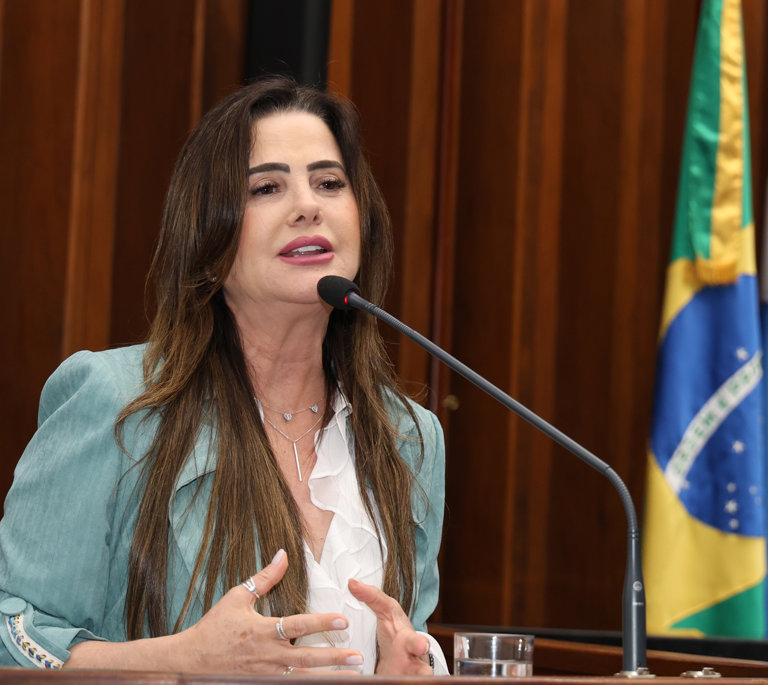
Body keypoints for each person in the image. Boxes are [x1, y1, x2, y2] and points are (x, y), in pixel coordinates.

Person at [0, 76, 446, 676]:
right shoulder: (118, 405)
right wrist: (180, 660)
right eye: (266, 187)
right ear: (210, 234)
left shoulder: (409, 438)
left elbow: (410, 632)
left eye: (328, 182)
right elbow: (11, 632)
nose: (308, 205)